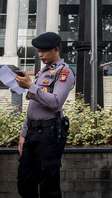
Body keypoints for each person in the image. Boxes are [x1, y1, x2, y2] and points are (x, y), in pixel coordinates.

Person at [15, 31, 75, 197]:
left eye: (44, 51)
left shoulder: (64, 72)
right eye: (39, 51)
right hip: (33, 132)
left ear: (56, 49)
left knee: (49, 186)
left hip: (49, 134)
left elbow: (56, 102)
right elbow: (33, 105)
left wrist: (31, 86)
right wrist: (23, 133)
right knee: (24, 182)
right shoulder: (42, 72)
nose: (40, 55)